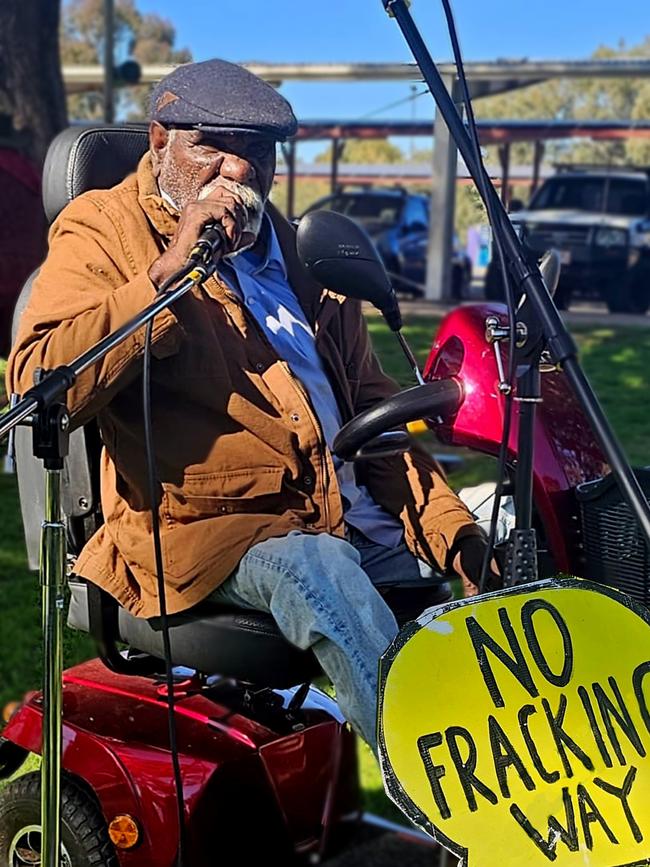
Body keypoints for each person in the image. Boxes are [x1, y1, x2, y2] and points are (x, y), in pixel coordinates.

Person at [8, 59, 498, 752]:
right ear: (159, 140)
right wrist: (173, 266)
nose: (237, 172)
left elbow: (373, 413)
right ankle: (449, 782)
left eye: (258, 152)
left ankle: (544, 765)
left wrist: (458, 534)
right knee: (318, 568)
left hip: (346, 515)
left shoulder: (302, 255)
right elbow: (36, 378)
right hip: (215, 536)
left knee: (510, 528)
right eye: (213, 146)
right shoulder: (103, 229)